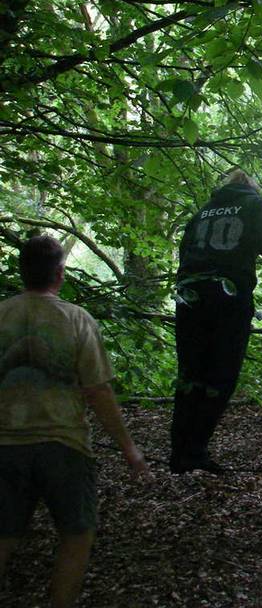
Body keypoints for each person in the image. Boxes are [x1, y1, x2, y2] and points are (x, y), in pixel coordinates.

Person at [0, 235, 150, 608]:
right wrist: (129, 450)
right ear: (60, 274)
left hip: (4, 445)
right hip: (65, 446)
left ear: (22, 272)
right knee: (77, 534)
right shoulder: (77, 319)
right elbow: (98, 391)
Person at [170, 168, 262, 474]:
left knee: (190, 373)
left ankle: (180, 451)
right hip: (228, 297)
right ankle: (195, 450)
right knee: (221, 375)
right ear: (251, 186)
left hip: (191, 296)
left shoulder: (203, 212)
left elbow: (184, 252)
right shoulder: (255, 204)